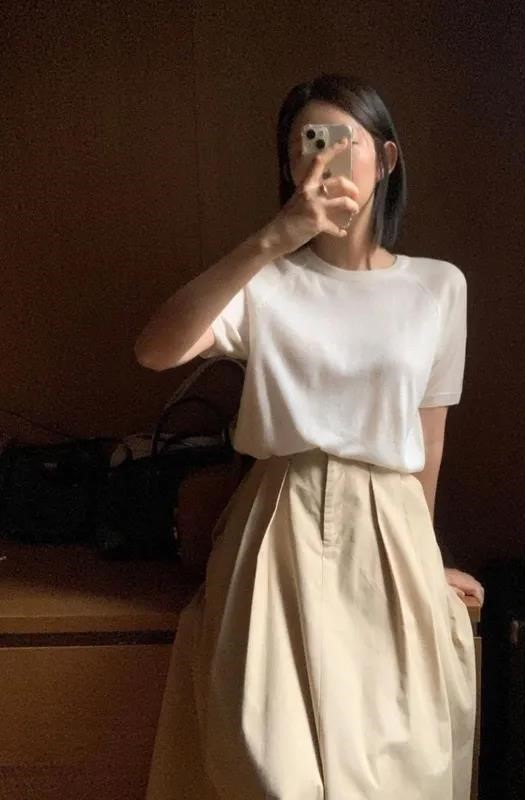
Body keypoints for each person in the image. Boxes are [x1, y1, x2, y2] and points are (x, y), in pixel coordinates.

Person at [136, 72, 484, 800]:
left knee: (398, 764)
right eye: (305, 145)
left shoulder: (437, 287)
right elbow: (155, 350)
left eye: (341, 141)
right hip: (278, 522)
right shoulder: (265, 283)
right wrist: (272, 240)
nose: (323, 159)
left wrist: (426, 558)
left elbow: (430, 439)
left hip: (389, 528)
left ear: (386, 159)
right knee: (267, 765)